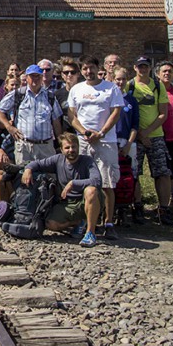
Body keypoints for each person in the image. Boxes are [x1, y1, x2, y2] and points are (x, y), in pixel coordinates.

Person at [67, 55, 124, 239]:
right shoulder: (76, 89)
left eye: (91, 68)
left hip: (106, 141)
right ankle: (84, 220)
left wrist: (102, 132)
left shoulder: (111, 88)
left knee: (107, 183)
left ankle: (108, 222)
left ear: (97, 68)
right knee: (83, 182)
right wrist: (84, 132)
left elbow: (116, 112)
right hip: (83, 140)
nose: (88, 72)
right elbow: (72, 116)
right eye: (84, 69)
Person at [22, 133, 102, 247]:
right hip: (68, 203)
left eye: (74, 147)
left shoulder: (87, 161)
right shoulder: (58, 159)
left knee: (91, 190)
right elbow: (38, 164)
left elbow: (97, 181)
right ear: (61, 149)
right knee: (51, 224)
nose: (71, 150)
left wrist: (74, 184)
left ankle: (90, 233)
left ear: (78, 147)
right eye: (67, 147)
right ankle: (80, 222)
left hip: (87, 200)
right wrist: (28, 169)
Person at [127, 56, 173, 225]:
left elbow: (163, 114)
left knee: (162, 173)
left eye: (145, 66)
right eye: (140, 66)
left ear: (150, 68)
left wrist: (146, 132)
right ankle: (137, 207)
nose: (143, 69)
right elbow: (126, 111)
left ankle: (163, 209)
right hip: (135, 137)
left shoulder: (158, 85)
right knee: (134, 173)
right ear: (135, 67)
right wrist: (139, 134)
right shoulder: (129, 85)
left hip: (155, 135)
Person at [0, 65, 61, 164]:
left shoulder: (50, 96)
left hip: (46, 147)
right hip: (25, 147)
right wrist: (9, 127)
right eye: (32, 76)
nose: (35, 79)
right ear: (27, 78)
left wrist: (60, 142)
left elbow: (56, 122)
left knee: (48, 177)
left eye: (37, 76)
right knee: (24, 177)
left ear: (42, 77)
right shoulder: (18, 94)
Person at [114, 68, 144, 223]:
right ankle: (113, 209)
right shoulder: (109, 99)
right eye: (117, 79)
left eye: (123, 79)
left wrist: (129, 144)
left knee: (132, 176)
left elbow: (135, 125)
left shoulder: (131, 101)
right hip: (112, 142)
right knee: (113, 177)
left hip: (128, 142)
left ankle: (132, 207)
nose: (120, 82)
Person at [156, 60, 173, 209]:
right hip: (159, 135)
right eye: (164, 71)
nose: (167, 74)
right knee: (162, 170)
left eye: (170, 71)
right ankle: (162, 201)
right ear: (158, 74)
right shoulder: (155, 89)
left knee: (172, 168)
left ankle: (172, 196)